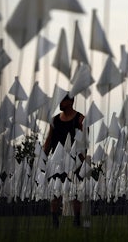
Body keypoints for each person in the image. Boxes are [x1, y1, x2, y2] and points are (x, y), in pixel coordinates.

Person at [43, 94, 85, 228]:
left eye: (63, 101)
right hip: (57, 160)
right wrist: (42, 158)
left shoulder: (80, 119)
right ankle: (55, 221)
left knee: (75, 191)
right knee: (56, 191)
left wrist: (83, 160)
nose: (60, 103)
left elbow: (84, 141)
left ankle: (77, 220)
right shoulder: (54, 120)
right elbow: (49, 140)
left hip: (75, 160)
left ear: (71, 101)